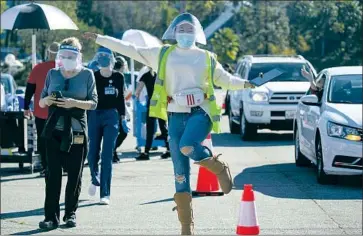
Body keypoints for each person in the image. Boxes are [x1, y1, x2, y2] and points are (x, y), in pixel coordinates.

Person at [83, 13, 255, 235]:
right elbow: (129, 49)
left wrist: (247, 84)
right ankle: (186, 227)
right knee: (180, 174)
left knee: (188, 146)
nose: (184, 33)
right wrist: (100, 39)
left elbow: (226, 79)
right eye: (180, 29)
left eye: (189, 29)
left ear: (197, 33)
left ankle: (219, 168)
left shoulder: (206, 57)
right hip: (175, 116)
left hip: (200, 113)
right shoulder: (162, 53)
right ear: (174, 32)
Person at [38, 37, 97, 230]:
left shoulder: (87, 74)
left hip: (77, 130)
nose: (67, 58)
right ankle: (50, 217)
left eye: (71, 55)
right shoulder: (52, 73)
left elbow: (93, 103)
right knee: (52, 175)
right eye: (63, 55)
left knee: (74, 175)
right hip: (55, 130)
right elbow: (40, 102)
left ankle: (70, 214)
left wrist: (74, 103)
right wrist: (48, 100)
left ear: (78, 55)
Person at [87, 47, 126, 205]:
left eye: (106, 57)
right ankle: (94, 177)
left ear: (112, 59)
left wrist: (122, 117)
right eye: (101, 57)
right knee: (92, 153)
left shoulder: (118, 76)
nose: (103, 60)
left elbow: (121, 97)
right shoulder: (93, 76)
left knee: (107, 155)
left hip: (112, 116)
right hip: (95, 114)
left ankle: (105, 193)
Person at [24, 42, 60, 177]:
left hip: (41, 111)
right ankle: (59, 165)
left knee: (42, 139)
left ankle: (46, 167)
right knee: (58, 139)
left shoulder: (38, 68)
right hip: (60, 111)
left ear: (48, 53)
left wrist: (26, 107)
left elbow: (29, 89)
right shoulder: (62, 68)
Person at [134, 66, 170, 160]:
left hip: (152, 104)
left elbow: (137, 91)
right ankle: (169, 150)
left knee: (150, 128)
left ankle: (146, 152)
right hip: (161, 103)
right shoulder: (162, 75)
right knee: (163, 127)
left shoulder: (145, 76)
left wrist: (137, 100)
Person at [112, 55, 131, 162]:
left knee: (119, 133)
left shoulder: (117, 76)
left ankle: (113, 151)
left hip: (116, 109)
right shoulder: (118, 77)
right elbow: (122, 96)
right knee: (122, 132)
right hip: (117, 110)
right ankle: (112, 151)